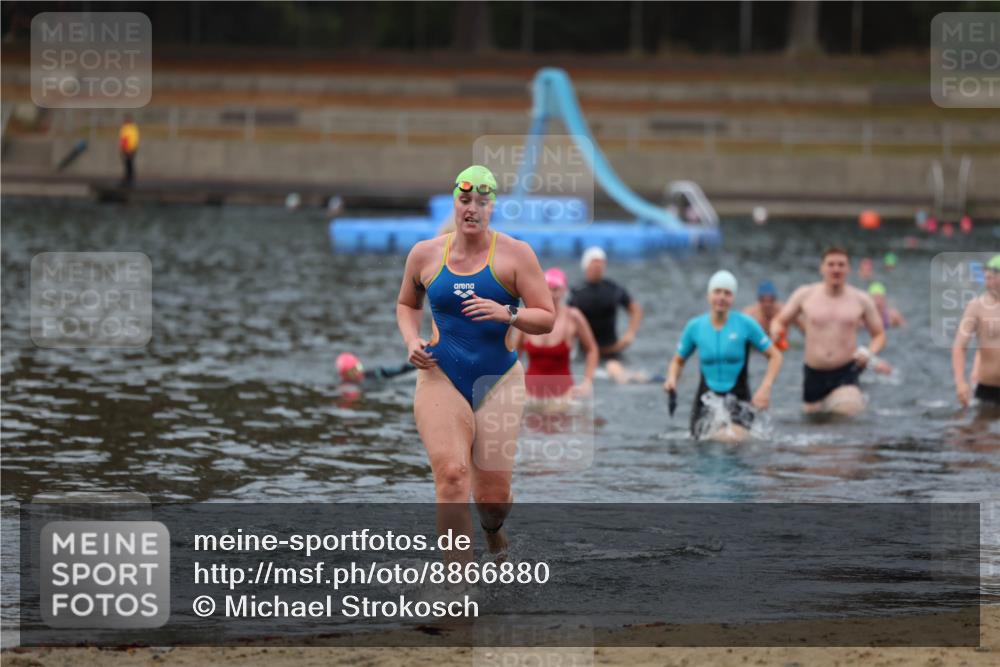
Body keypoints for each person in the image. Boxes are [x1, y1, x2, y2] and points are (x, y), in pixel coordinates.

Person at [395, 165, 554, 562]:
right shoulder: (425, 254)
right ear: (455, 203)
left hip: (496, 379)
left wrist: (508, 314)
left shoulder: (516, 255)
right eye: (465, 200)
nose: (472, 209)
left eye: (481, 202)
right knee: (451, 476)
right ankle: (458, 585)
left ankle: (493, 530)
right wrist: (412, 339)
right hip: (439, 374)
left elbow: (546, 316)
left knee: (492, 499)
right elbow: (406, 305)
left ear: (491, 208)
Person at [663, 271, 782, 443]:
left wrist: (765, 388)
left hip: (738, 400)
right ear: (708, 295)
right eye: (717, 292)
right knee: (702, 447)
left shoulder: (745, 324)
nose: (721, 297)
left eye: (727, 293)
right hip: (705, 401)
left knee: (729, 440)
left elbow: (775, 356)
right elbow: (678, 361)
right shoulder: (695, 327)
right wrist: (672, 379)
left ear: (733, 297)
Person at [771, 247, 886, 417]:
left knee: (848, 410)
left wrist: (869, 352)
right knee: (815, 430)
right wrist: (777, 332)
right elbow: (779, 320)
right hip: (813, 374)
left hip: (846, 372)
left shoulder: (861, 299)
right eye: (831, 264)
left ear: (848, 269)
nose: (836, 269)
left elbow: (879, 334)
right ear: (822, 268)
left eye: (841, 265)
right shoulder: (805, 295)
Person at [511, 267, 599, 409]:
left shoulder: (573, 317)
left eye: (556, 289)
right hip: (529, 395)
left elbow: (592, 349)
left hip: (563, 395)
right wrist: (511, 383)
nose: (553, 294)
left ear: (564, 290)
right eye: (549, 289)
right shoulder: (528, 316)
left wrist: (587, 381)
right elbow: (514, 354)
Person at [569, 247, 645, 384]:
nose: (598, 265)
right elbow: (566, 319)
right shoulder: (577, 292)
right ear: (586, 265)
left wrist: (630, 334)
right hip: (584, 353)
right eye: (594, 262)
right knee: (614, 372)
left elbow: (635, 309)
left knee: (620, 371)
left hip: (611, 349)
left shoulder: (613, 289)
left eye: (601, 262)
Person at [952, 255, 1000, 408]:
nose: (987, 277)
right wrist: (960, 382)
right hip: (988, 389)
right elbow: (959, 346)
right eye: (986, 273)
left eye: (993, 273)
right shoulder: (976, 306)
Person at [743, 280, 798, 351]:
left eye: (771, 300)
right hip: (757, 347)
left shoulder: (784, 311)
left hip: (780, 346)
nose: (767, 304)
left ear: (775, 300)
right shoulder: (750, 314)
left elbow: (802, 324)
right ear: (758, 300)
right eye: (763, 300)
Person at [118, 115, 139, 188]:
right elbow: (122, 139)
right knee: (127, 164)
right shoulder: (125, 128)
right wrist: (122, 148)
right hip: (125, 149)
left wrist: (132, 149)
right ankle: (127, 178)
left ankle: (130, 179)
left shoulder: (132, 128)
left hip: (130, 149)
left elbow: (133, 140)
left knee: (129, 164)